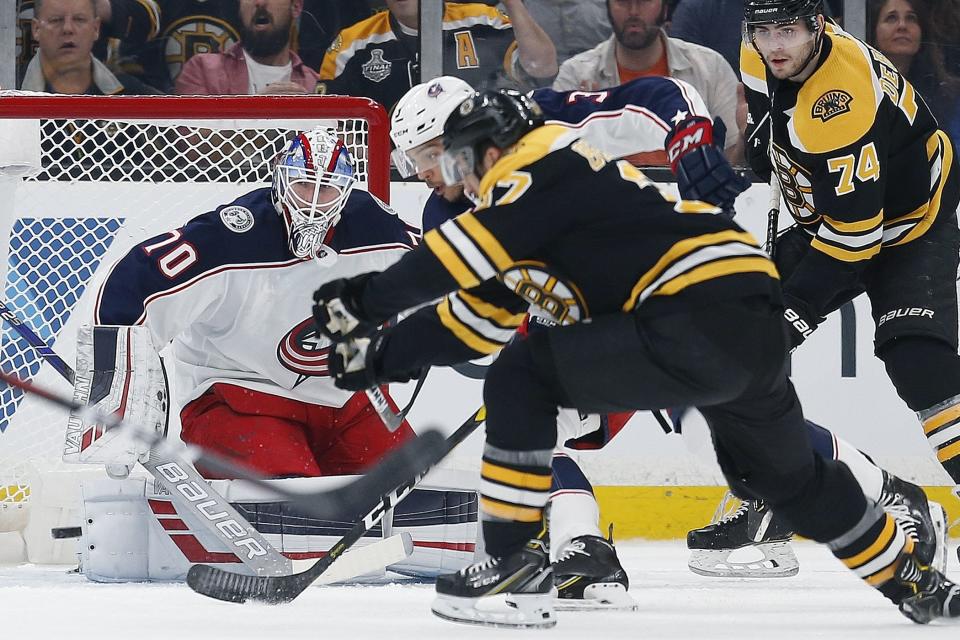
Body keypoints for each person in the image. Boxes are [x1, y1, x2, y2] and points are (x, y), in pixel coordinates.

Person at [312, 88, 960, 627]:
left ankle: (510, 567)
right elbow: (478, 318)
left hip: (690, 313)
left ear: (486, 148)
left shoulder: (538, 164)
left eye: (446, 162)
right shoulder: (516, 205)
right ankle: (914, 582)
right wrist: (381, 357)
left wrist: (360, 302)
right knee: (794, 484)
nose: (437, 179)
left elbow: (462, 257)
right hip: (744, 331)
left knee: (522, 376)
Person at [71, 127, 478, 581]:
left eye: (328, 188)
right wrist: (120, 407)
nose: (314, 199)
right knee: (289, 511)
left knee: (422, 502)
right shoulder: (229, 236)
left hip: (346, 404)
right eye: (304, 182)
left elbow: (452, 268)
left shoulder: (374, 226)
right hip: (239, 399)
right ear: (279, 179)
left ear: (347, 190)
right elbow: (130, 289)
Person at [694, 0, 960, 570]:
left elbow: (853, 243)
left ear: (818, 26)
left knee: (919, 364)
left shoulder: (840, 102)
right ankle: (772, 500)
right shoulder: (761, 50)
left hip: (909, 223)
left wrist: (795, 310)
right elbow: (770, 118)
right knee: (737, 345)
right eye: (763, 31)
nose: (775, 44)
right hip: (839, 217)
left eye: (787, 29)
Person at [553, 0, 743, 163]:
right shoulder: (576, 75)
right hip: (603, 201)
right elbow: (552, 164)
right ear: (608, 7)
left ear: (665, 8)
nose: (634, 11)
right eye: (623, 1)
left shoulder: (710, 67)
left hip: (693, 202)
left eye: (644, 1)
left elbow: (732, 160)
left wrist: (746, 135)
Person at [319, 0, 558, 112]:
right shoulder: (351, 45)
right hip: (391, 173)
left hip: (478, 161)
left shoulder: (483, 21)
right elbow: (326, 118)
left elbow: (542, 67)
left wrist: (512, 3)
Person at [175, 0, 318, 95]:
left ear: (296, 7)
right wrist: (258, 112)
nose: (260, 2)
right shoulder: (203, 70)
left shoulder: (313, 83)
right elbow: (192, 138)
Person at [868, 0, 960, 147]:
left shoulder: (948, 95)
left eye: (911, 18)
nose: (902, 26)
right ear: (873, 31)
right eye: (891, 18)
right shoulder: (862, 88)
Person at [21, 0, 160, 94]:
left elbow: (149, 21)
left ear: (96, 28)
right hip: (17, 84)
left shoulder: (129, 92)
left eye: (78, 19)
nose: (67, 29)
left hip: (96, 90)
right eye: (56, 20)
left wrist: (94, 5)